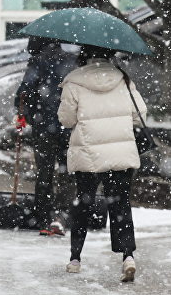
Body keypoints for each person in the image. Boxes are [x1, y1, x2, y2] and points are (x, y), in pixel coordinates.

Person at [57, 44, 147, 282]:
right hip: (120, 153)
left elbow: (66, 120)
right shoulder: (123, 79)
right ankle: (128, 256)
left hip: (88, 154)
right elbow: (140, 115)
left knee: (83, 204)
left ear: (83, 55)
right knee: (120, 206)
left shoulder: (74, 82)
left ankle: (75, 258)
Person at [15, 36, 77, 236]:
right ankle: (60, 217)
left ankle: (43, 219)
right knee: (67, 173)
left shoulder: (38, 61)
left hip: (44, 128)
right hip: (69, 127)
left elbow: (25, 92)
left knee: (44, 174)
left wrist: (26, 115)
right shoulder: (72, 61)